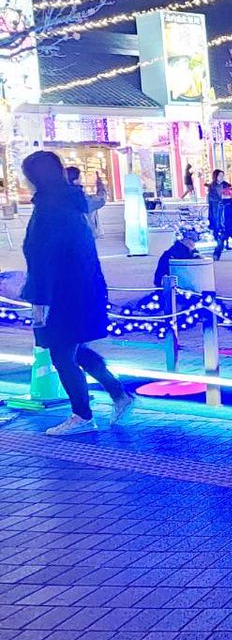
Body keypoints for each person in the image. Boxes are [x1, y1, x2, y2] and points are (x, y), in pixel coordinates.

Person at [20, 150, 136, 436]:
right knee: (74, 350)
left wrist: (40, 301)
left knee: (62, 355)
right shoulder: (67, 202)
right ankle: (118, 394)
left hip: (62, 295)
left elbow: (45, 258)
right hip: (79, 290)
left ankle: (83, 415)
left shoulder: (51, 208)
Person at [207, 170, 225, 238]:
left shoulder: (226, 185)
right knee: (216, 221)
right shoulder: (212, 186)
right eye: (220, 175)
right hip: (216, 207)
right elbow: (211, 198)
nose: (222, 177)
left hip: (225, 207)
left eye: (222, 175)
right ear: (215, 176)